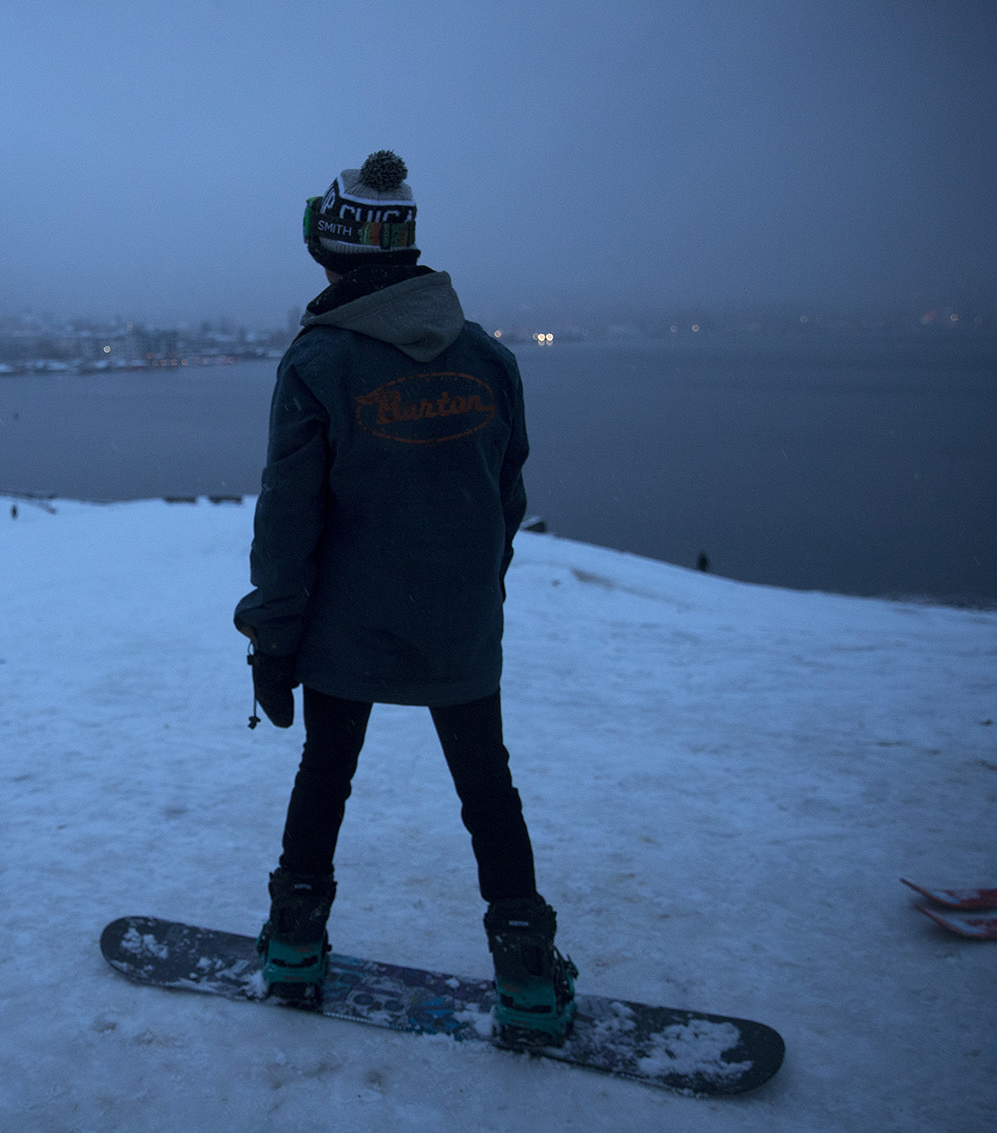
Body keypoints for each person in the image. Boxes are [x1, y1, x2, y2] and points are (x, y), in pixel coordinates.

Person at [233, 151, 576, 1044]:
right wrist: (469, 596)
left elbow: (287, 523)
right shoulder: (490, 360)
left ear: (332, 249)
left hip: (346, 630)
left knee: (325, 773)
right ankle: (530, 982)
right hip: (458, 630)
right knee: (487, 789)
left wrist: (274, 644)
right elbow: (506, 501)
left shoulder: (317, 362)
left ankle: (295, 952)